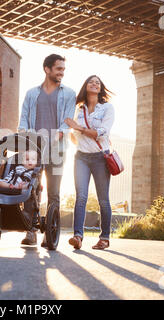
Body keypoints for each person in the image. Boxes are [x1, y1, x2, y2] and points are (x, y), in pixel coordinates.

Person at [18, 54, 76, 246]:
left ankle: (49, 233)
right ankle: (31, 231)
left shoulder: (69, 94)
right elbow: (24, 120)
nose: (62, 73)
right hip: (33, 148)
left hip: (57, 150)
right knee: (31, 188)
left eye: (63, 69)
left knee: (54, 191)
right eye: (58, 69)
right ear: (47, 69)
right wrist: (28, 137)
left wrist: (55, 137)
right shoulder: (31, 93)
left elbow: (66, 123)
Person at [64, 75, 114, 250]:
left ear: (100, 88)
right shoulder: (78, 109)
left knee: (103, 200)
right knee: (81, 197)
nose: (94, 84)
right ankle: (78, 236)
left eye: (98, 82)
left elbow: (101, 132)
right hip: (81, 157)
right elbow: (72, 133)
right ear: (86, 86)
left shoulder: (107, 108)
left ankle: (104, 238)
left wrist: (79, 128)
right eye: (91, 82)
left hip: (101, 157)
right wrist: (74, 134)